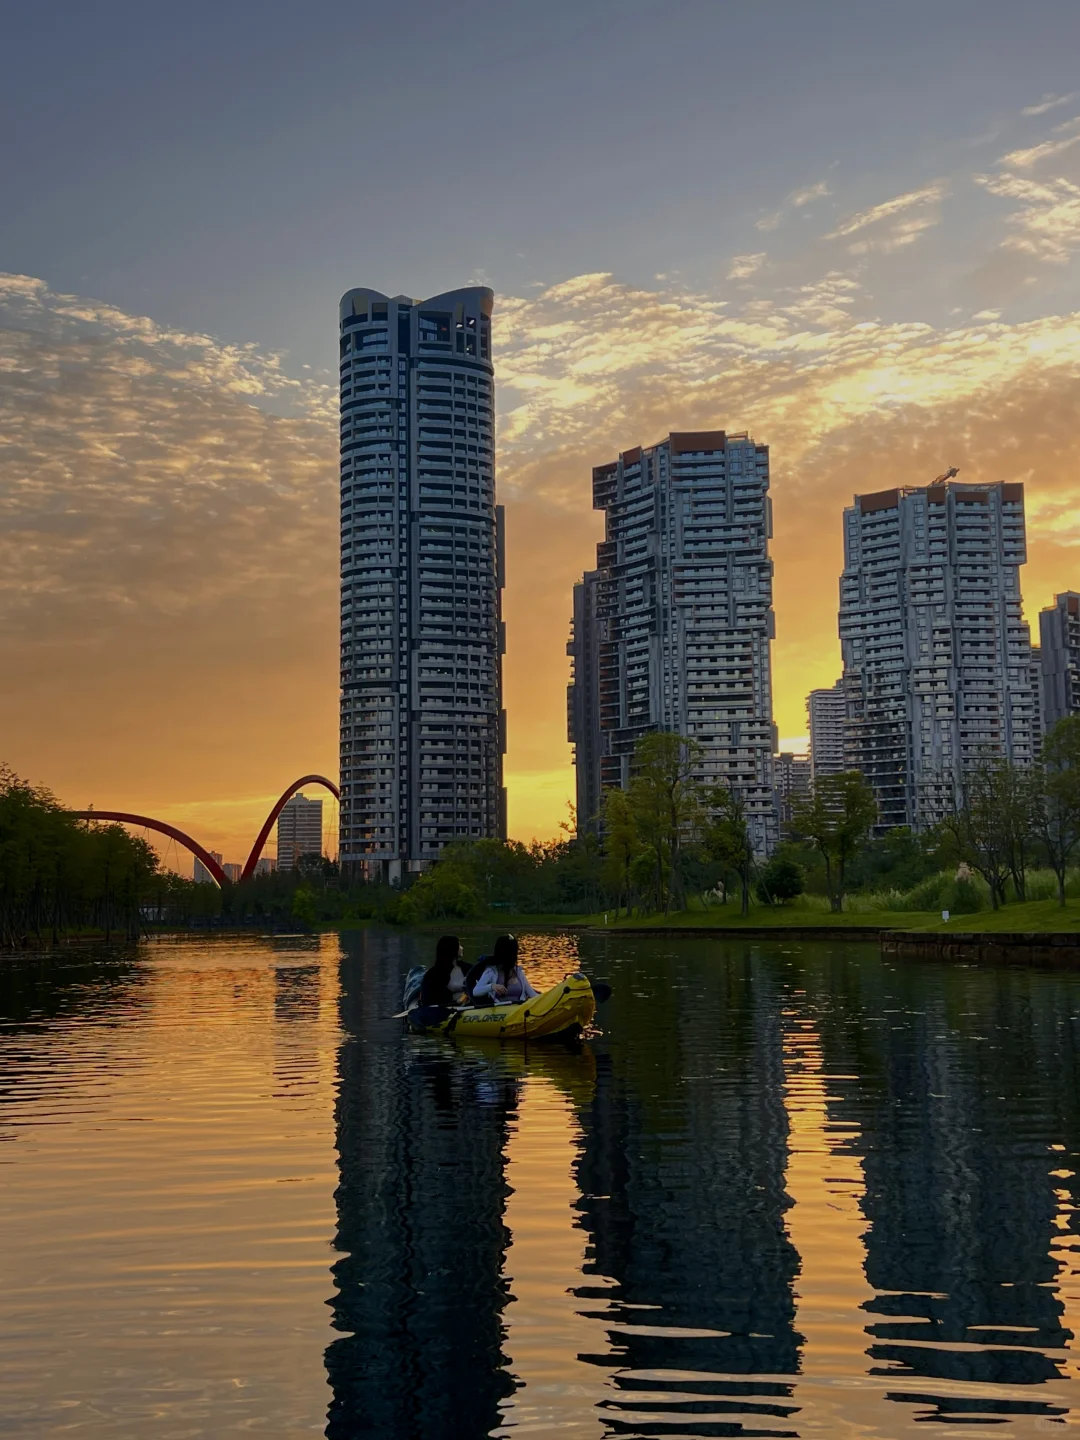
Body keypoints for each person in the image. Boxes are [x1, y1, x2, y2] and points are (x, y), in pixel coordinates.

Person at [472, 934, 539, 1003]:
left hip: (519, 1010)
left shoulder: (518, 972)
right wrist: (491, 986)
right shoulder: (491, 971)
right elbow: (475, 992)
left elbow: (533, 995)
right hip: (500, 1010)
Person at [419, 935, 468, 1008]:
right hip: (448, 1008)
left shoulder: (467, 967)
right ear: (451, 949)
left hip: (469, 1005)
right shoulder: (434, 974)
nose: (462, 948)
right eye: (459, 945)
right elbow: (428, 998)